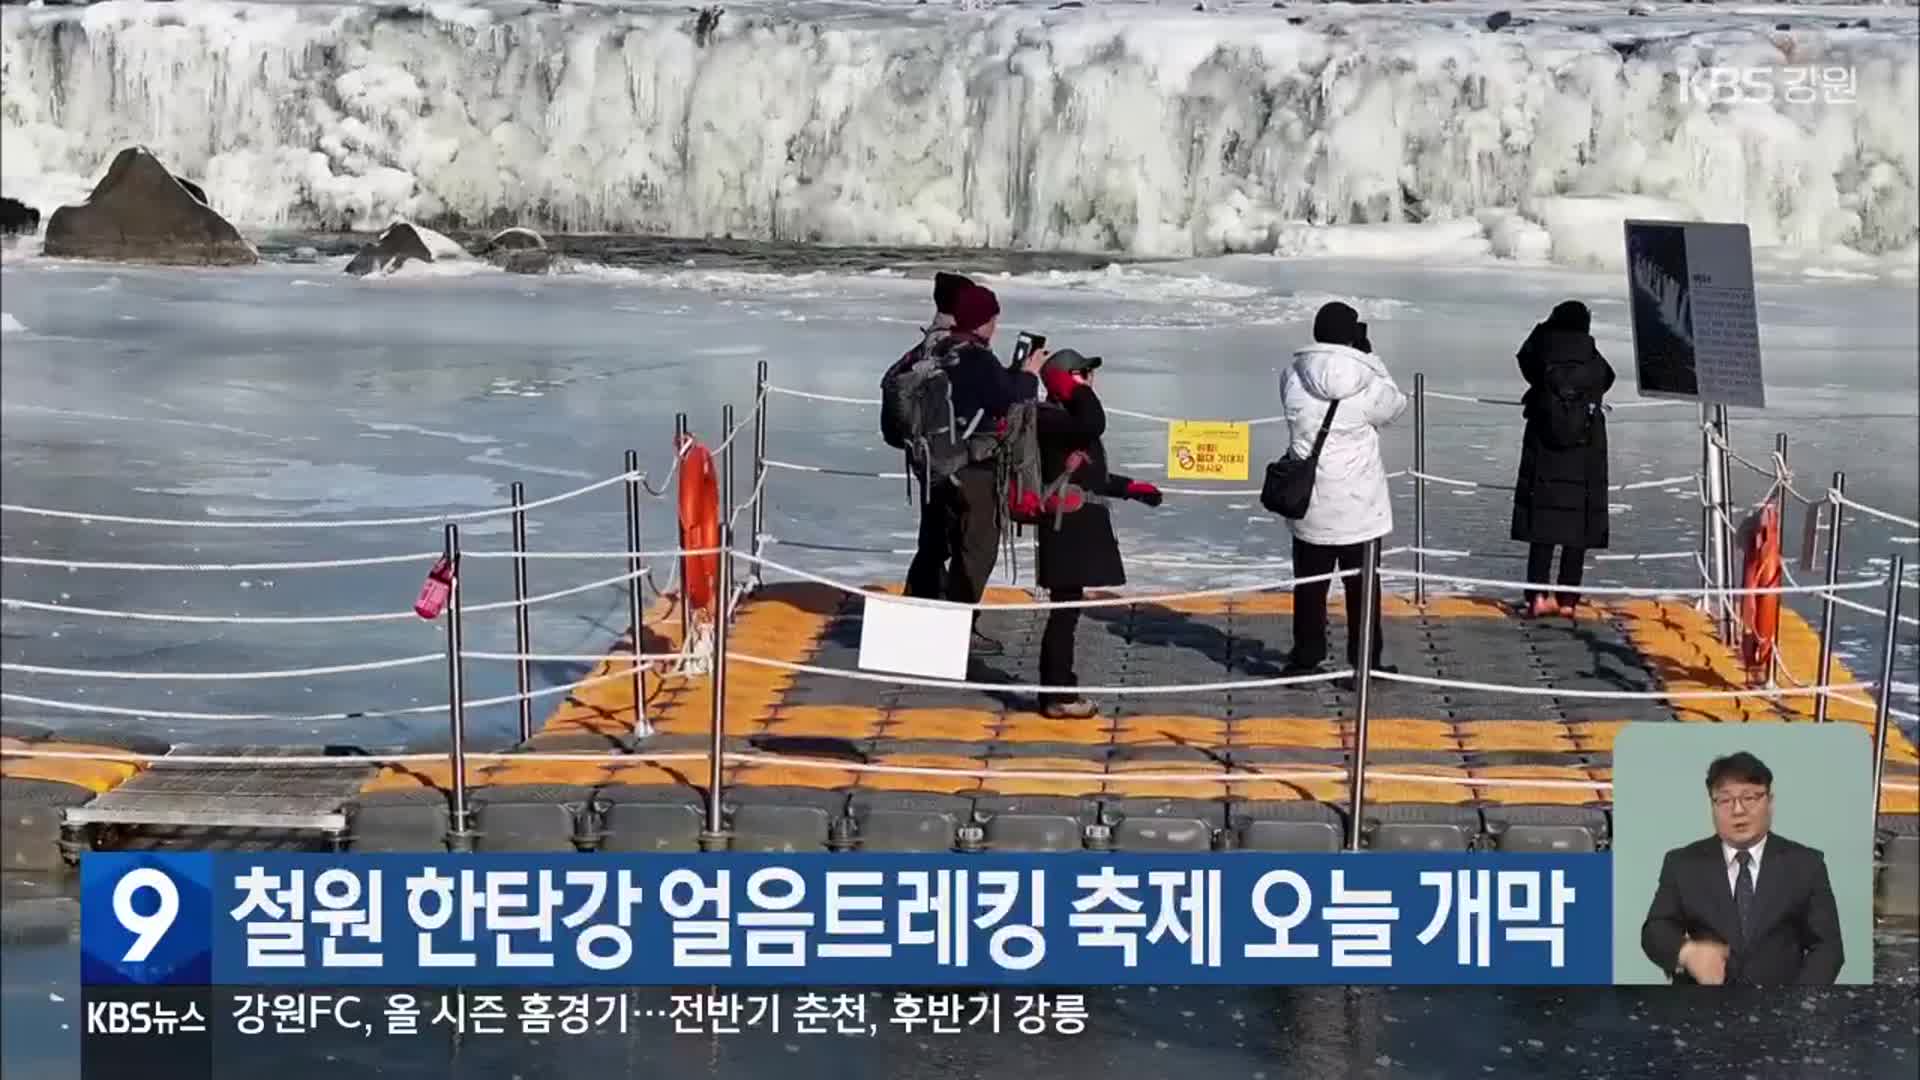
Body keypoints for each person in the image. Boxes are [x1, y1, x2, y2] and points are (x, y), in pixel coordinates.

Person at [902, 283, 1045, 654]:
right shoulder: (978, 358)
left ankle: (915, 614)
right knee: (977, 548)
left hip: (933, 464)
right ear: (982, 321)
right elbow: (1007, 399)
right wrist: (1029, 374)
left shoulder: (935, 348)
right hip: (973, 467)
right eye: (993, 318)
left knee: (934, 543)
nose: (995, 325)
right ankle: (959, 628)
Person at [1278, 302, 1408, 682]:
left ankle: (1306, 657)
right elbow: (1395, 406)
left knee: (1309, 587)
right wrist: (1372, 358)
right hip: (1359, 506)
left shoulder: (1292, 374)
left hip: (1311, 501)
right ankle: (1365, 662)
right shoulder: (1365, 379)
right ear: (1352, 335)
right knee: (1362, 589)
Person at [1031, 348, 1162, 718]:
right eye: (1083, 373)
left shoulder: (1064, 417)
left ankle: (1058, 689)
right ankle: (1057, 693)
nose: (1091, 380)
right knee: (1065, 610)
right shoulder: (1051, 418)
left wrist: (1131, 488)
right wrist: (1075, 389)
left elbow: (1091, 475)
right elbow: (1094, 424)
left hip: (1076, 521)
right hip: (1064, 525)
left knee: (1068, 608)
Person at [1640, 751, 1844, 985]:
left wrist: (1798, 1006)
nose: (1738, 810)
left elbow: (1828, 948)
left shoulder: (1806, 864)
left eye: (1749, 798)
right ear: (1712, 805)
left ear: (1770, 801)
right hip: (1702, 1011)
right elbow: (1655, 930)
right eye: (1725, 800)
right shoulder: (1683, 863)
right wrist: (1687, 953)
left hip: (1781, 1011)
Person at [1510, 300, 1614, 618]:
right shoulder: (1593, 360)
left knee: (1543, 527)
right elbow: (1607, 379)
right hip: (1583, 453)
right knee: (1577, 529)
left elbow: (1523, 358)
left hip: (1545, 450)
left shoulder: (1542, 353)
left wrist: (1544, 328)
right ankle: (1567, 601)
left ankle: (1537, 597)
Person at [899, 271, 976, 601]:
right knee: (947, 537)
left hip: (925, 451)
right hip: (946, 454)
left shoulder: (927, 342)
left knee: (934, 536)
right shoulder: (951, 345)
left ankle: (920, 602)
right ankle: (933, 611)